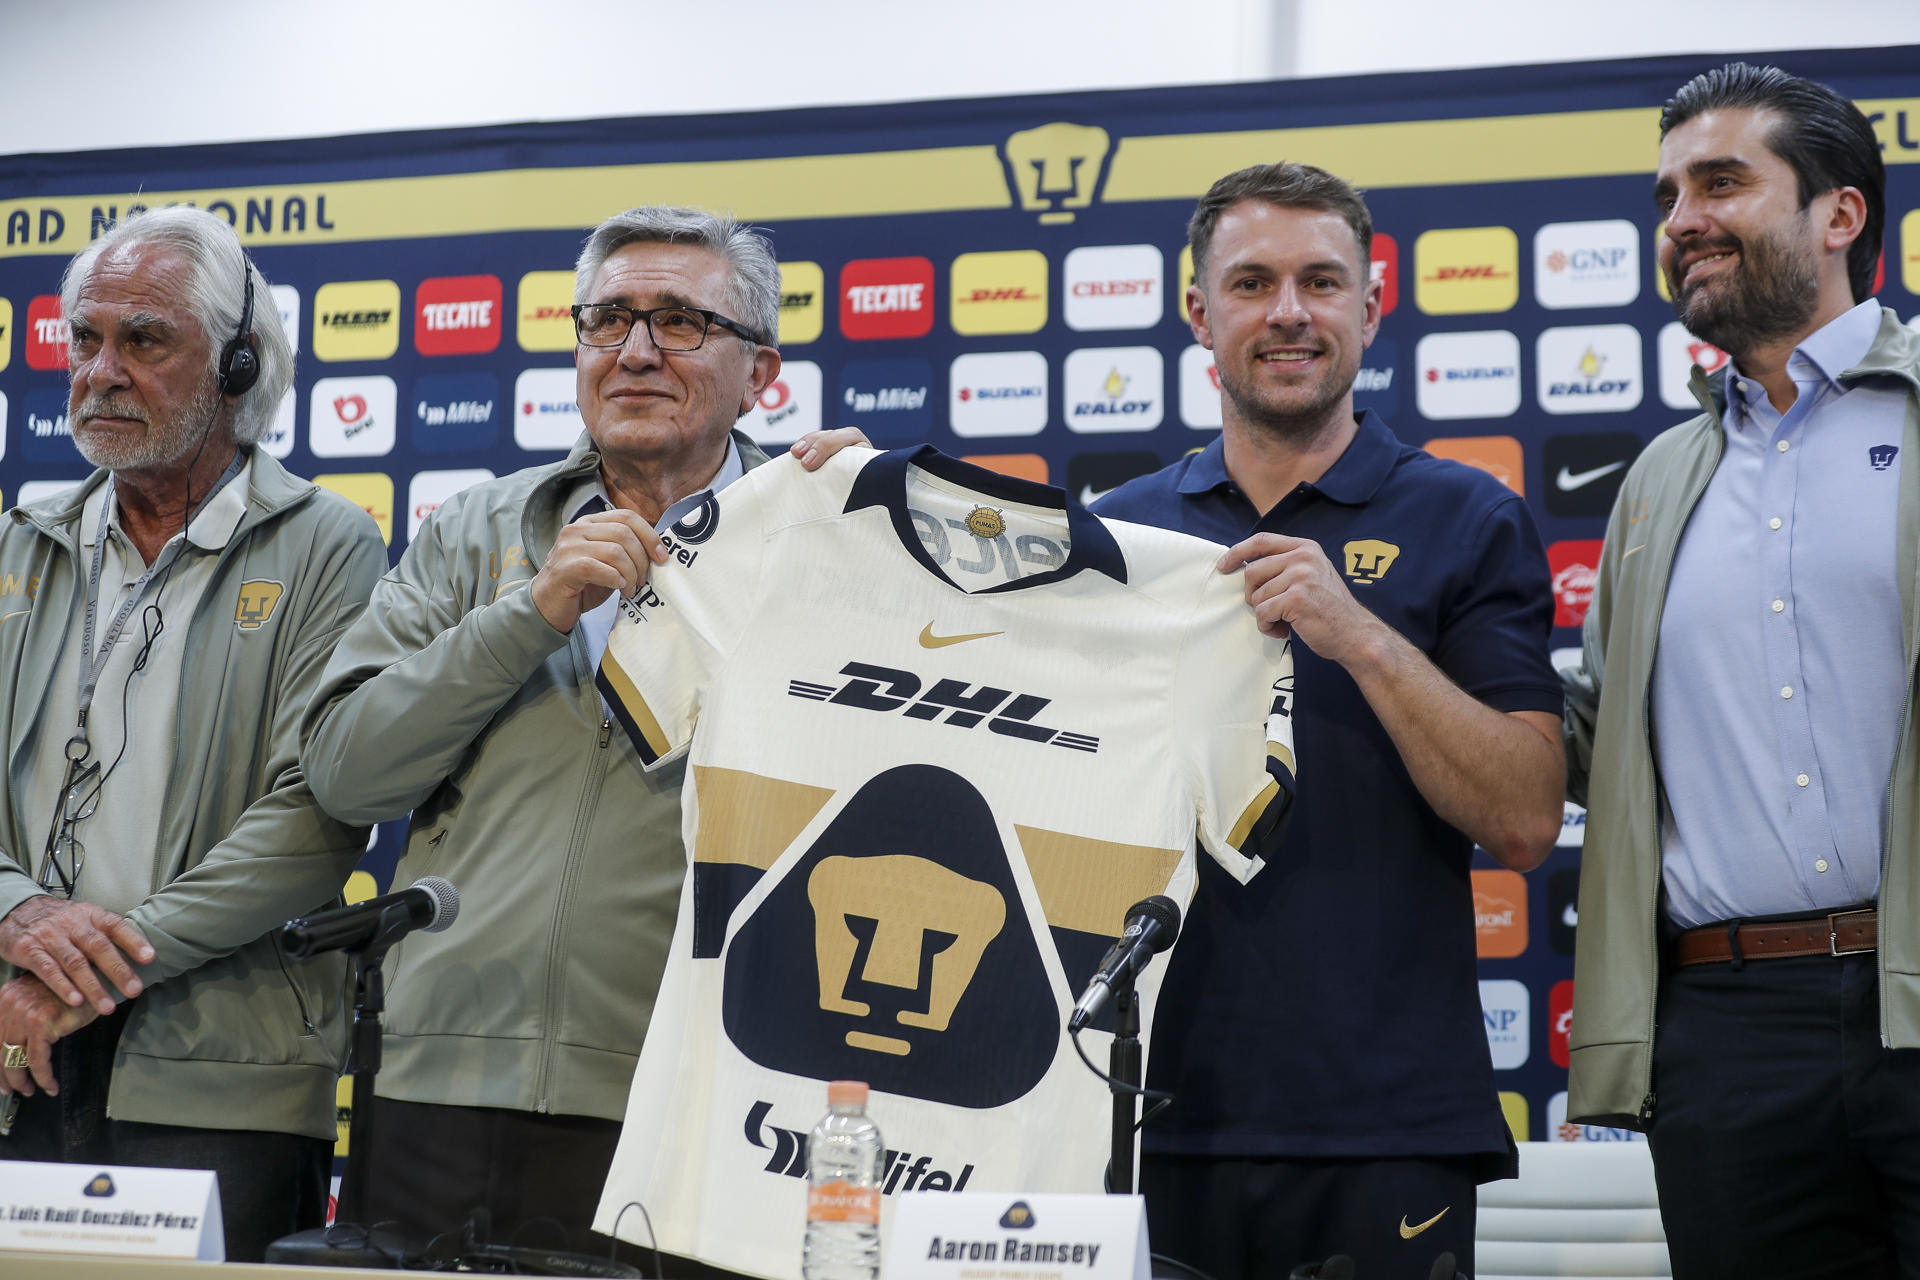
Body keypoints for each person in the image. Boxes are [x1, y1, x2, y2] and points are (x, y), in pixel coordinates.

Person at [301, 205, 864, 1263]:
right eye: (607, 318)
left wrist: (861, 541)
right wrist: (529, 615)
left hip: (700, 1090)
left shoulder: (830, 544)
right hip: (438, 1076)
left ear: (763, 373)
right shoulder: (478, 531)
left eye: (682, 322)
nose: (637, 350)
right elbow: (345, 769)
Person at [1091, 162, 1564, 1279]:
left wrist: (1358, 632)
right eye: (1252, 283)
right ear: (1200, 313)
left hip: (1387, 1122)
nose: (1289, 312)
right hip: (1143, 1112)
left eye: (1321, 281)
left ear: (1372, 302)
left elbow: (1527, 816)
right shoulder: (1117, 535)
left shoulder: (1468, 516)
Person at [1564, 63, 1918, 1277]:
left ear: (1840, 214)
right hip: (1726, 1033)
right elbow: (1592, 735)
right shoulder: (1656, 480)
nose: (1682, 221)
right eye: (1668, 196)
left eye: (1722, 182)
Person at [0, 206, 386, 1261]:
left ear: (235, 361)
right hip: (15, 1047)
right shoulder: (19, 546)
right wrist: (17, 913)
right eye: (84, 339)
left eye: (143, 340)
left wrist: (87, 971)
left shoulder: (328, 546)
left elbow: (317, 819)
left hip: (224, 1073)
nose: (100, 371)